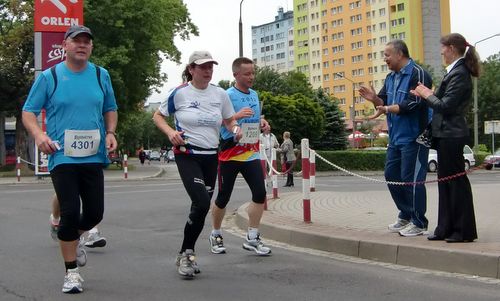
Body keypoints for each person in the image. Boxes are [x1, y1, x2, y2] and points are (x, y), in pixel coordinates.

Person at [22, 25, 118, 294]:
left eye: (87, 42)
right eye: (77, 41)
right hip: (62, 155)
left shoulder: (101, 75)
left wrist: (111, 132)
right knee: (70, 212)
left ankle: (72, 237)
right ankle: (71, 272)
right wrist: (39, 135)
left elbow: (110, 108)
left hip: (93, 154)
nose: (82, 45)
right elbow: (28, 112)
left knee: (95, 213)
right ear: (64, 45)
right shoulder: (50, 76)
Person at [152, 50, 241, 278]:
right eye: (203, 67)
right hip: (187, 154)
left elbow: (229, 119)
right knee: (202, 203)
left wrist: (235, 129)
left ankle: (184, 252)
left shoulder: (220, 94)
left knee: (199, 209)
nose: (208, 71)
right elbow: (157, 116)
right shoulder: (179, 93)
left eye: (211, 66)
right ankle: (188, 254)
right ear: (191, 69)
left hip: (211, 156)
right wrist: (171, 132)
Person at [358, 39, 432, 237]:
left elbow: (412, 104)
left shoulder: (418, 73)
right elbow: (383, 102)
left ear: (400, 54)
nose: (385, 59)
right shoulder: (391, 77)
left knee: (412, 180)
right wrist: (374, 99)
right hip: (396, 138)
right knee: (392, 176)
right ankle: (406, 215)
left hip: (415, 137)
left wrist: (386, 108)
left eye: (387, 54)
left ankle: (419, 222)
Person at [411, 33, 479, 243]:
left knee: (455, 182)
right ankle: (446, 228)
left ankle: (462, 231)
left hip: (451, 134)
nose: (441, 53)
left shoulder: (459, 73)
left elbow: (446, 106)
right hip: (445, 134)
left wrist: (426, 95)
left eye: (442, 48)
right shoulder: (454, 72)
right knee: (445, 183)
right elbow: (441, 100)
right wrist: (426, 93)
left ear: (450, 48)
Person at [209, 57, 272, 256]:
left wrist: (263, 123)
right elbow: (216, 121)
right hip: (230, 153)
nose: (251, 77)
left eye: (253, 73)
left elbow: (254, 119)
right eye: (247, 74)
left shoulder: (254, 95)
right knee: (223, 197)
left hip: (251, 152)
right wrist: (235, 117)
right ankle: (216, 233)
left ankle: (252, 237)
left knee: (260, 194)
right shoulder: (226, 95)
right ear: (236, 75)